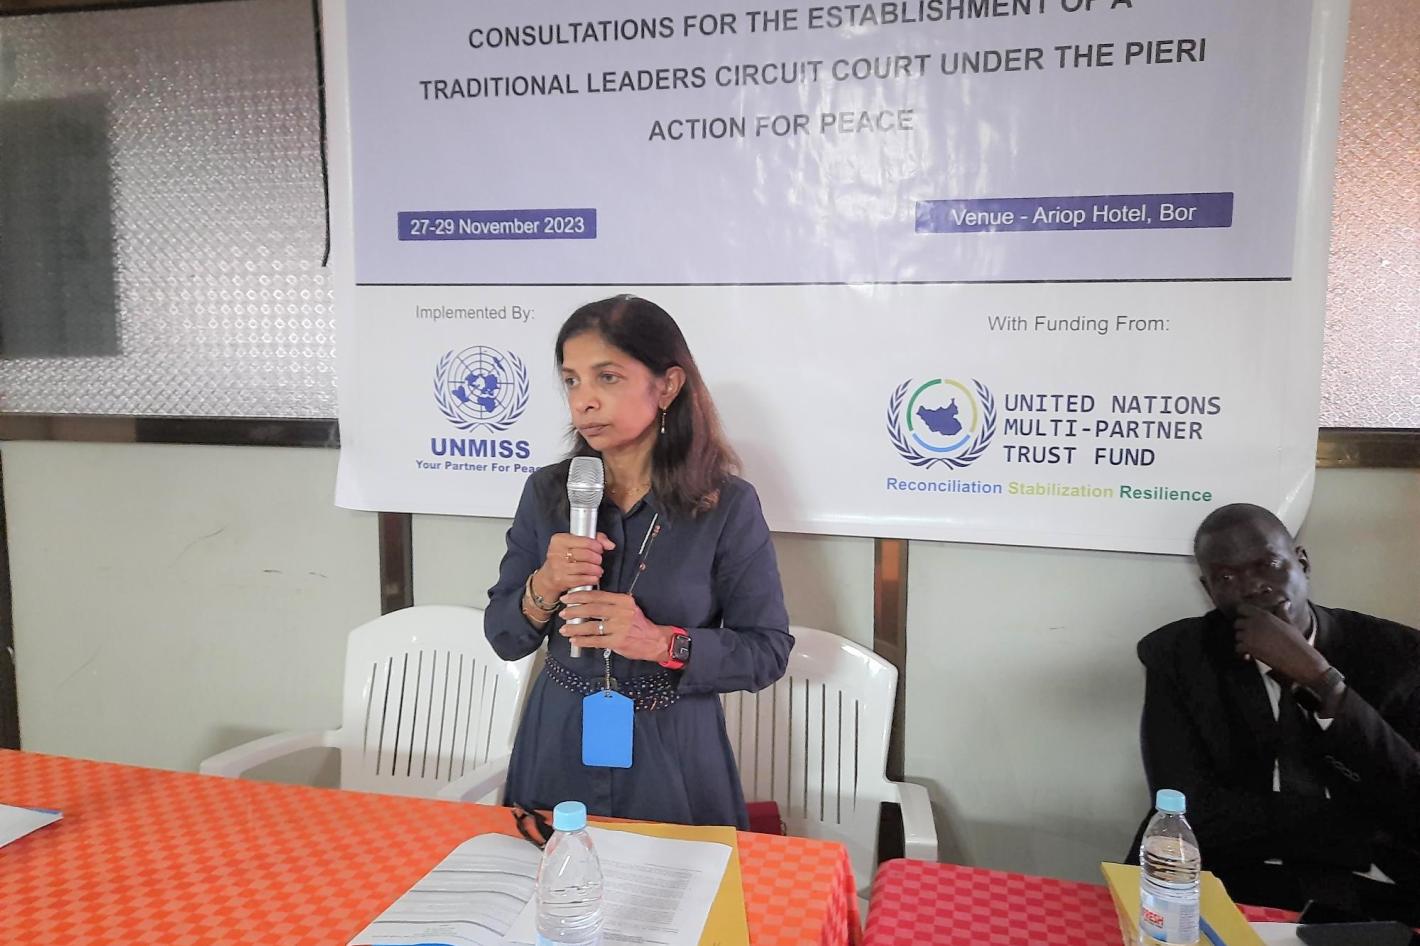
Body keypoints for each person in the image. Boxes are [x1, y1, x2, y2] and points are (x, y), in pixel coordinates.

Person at [484, 294, 792, 829]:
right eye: (572, 381)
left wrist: (662, 643)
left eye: (607, 377)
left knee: (679, 881)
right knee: (553, 878)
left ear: (667, 385)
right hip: (558, 737)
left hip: (673, 747)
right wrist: (544, 584)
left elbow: (767, 652)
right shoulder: (548, 493)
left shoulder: (726, 505)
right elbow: (504, 637)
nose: (584, 401)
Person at [1133, 503, 1420, 923]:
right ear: (1209, 590)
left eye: (1267, 565)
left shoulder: (1399, 656)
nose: (1252, 587)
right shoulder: (1179, 655)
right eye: (1226, 577)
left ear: (1301, 562)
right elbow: (1188, 812)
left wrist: (1322, 682)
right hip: (1229, 877)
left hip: (1377, 884)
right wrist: (1356, 823)